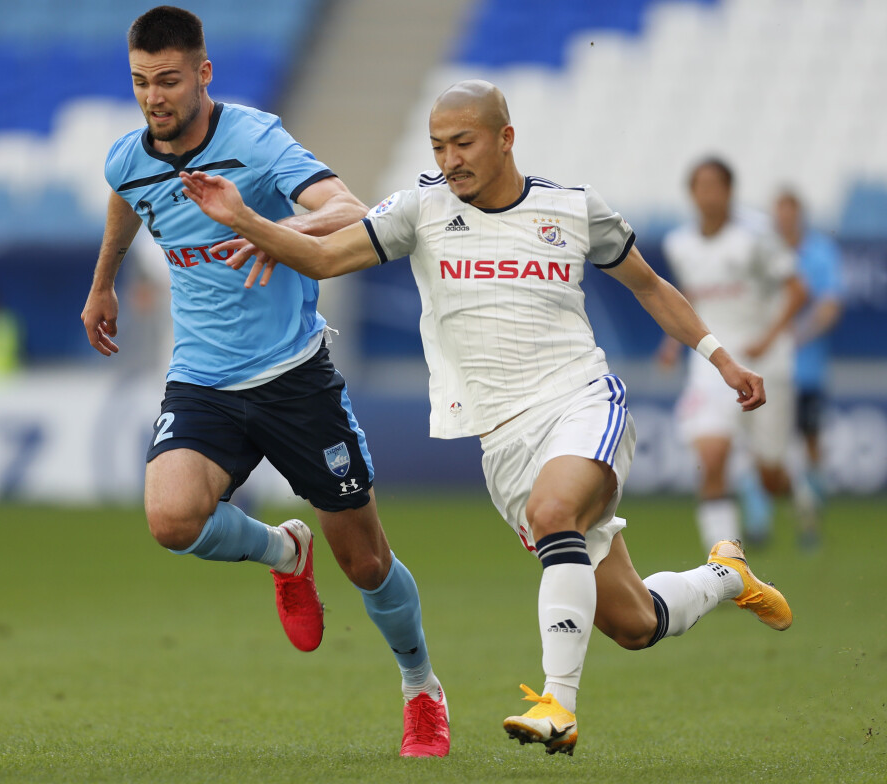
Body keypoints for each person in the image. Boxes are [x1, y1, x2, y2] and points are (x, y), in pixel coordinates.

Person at [178, 79, 793, 757]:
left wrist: (720, 358)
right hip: (502, 441)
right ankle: (728, 575)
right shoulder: (421, 209)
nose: (450, 159)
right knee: (632, 622)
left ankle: (558, 704)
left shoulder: (574, 209)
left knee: (555, 511)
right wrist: (246, 220)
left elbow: (649, 284)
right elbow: (324, 256)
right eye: (438, 146)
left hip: (581, 401)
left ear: (505, 137)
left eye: (463, 142)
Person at [78, 6, 449, 757]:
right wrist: (103, 285)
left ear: (204, 73)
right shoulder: (130, 156)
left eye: (171, 81)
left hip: (293, 377)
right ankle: (286, 553)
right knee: (172, 520)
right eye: (142, 83)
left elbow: (347, 209)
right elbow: (126, 200)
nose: (156, 98)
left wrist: (259, 226)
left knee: (367, 562)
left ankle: (421, 689)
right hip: (203, 381)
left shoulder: (256, 140)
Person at [660, 159, 808, 551]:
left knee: (768, 476)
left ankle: (799, 491)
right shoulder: (680, 244)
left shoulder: (757, 237)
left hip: (765, 361)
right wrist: (673, 342)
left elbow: (797, 289)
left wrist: (768, 337)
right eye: (700, 186)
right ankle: (725, 565)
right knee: (710, 459)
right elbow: (690, 297)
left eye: (716, 186)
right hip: (710, 361)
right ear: (691, 194)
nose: (708, 194)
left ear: (729, 191)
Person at [775, 189, 844, 548]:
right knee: (767, 448)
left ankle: (811, 517)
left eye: (789, 213)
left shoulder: (818, 253)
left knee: (810, 443)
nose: (783, 220)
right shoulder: (767, 251)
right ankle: (760, 522)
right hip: (770, 369)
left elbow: (831, 305)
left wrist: (798, 334)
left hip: (806, 371)